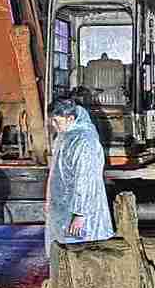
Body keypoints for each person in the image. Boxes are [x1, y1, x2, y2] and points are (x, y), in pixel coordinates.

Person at [44, 98, 114, 259]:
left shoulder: (84, 141)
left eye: (56, 121)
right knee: (65, 251)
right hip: (64, 205)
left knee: (82, 255)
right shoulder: (65, 135)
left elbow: (85, 178)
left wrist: (80, 215)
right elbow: (55, 171)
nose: (54, 125)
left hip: (81, 211)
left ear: (71, 118)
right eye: (52, 121)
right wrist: (49, 199)